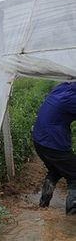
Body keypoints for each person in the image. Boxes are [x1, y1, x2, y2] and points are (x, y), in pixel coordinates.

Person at [32, 82, 76, 214]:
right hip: (53, 143)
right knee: (74, 174)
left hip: (39, 141)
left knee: (56, 170)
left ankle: (43, 204)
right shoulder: (71, 99)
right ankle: (72, 214)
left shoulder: (62, 88)